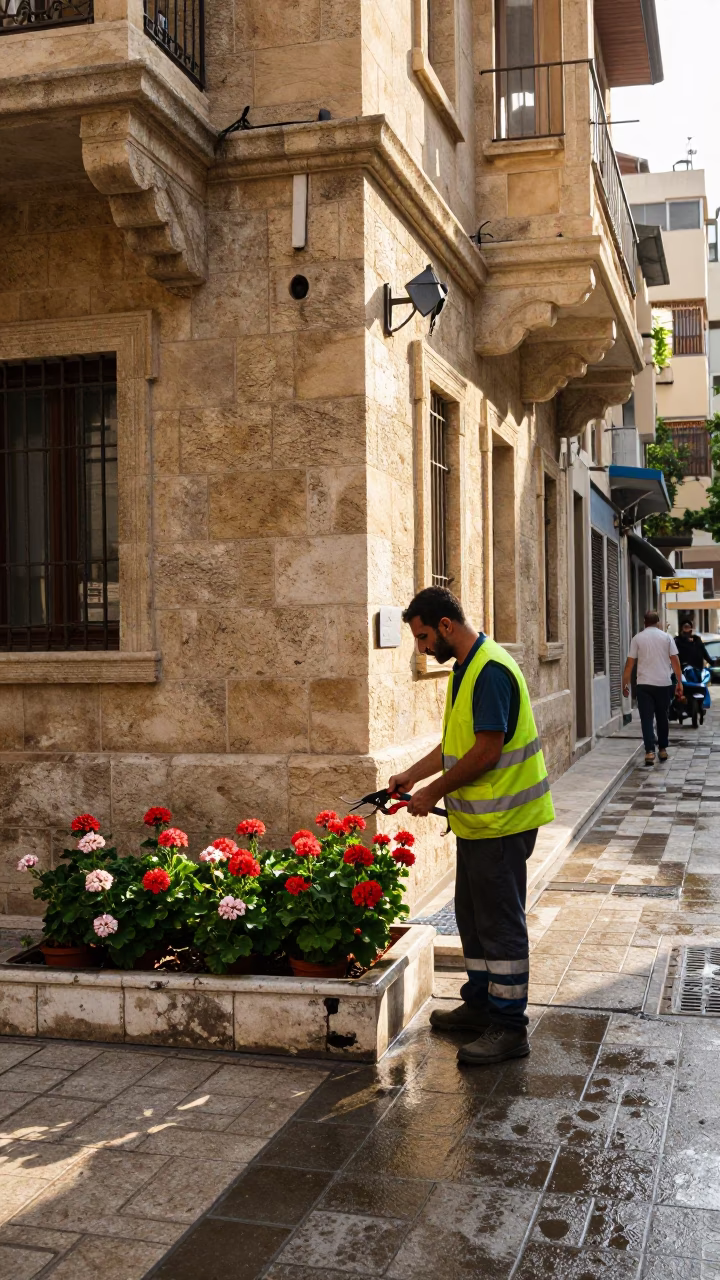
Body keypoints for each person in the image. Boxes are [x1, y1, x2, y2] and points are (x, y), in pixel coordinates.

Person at [388, 586, 555, 1067]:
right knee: (472, 919)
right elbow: (454, 744)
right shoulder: (467, 668)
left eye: (422, 638)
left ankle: (508, 1027)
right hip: (481, 824)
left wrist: (432, 793)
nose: (421, 649)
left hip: (504, 823)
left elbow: (487, 751)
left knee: (500, 926)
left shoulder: (491, 670)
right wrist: (410, 777)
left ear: (445, 626)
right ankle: (482, 1003)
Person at [622, 610, 685, 766]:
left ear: (644, 622)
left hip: (644, 685)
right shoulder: (667, 637)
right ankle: (662, 749)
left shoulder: (637, 638)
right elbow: (675, 660)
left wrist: (625, 684)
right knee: (663, 717)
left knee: (646, 719)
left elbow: (630, 663)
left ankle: (650, 751)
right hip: (663, 684)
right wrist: (679, 682)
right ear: (658, 622)